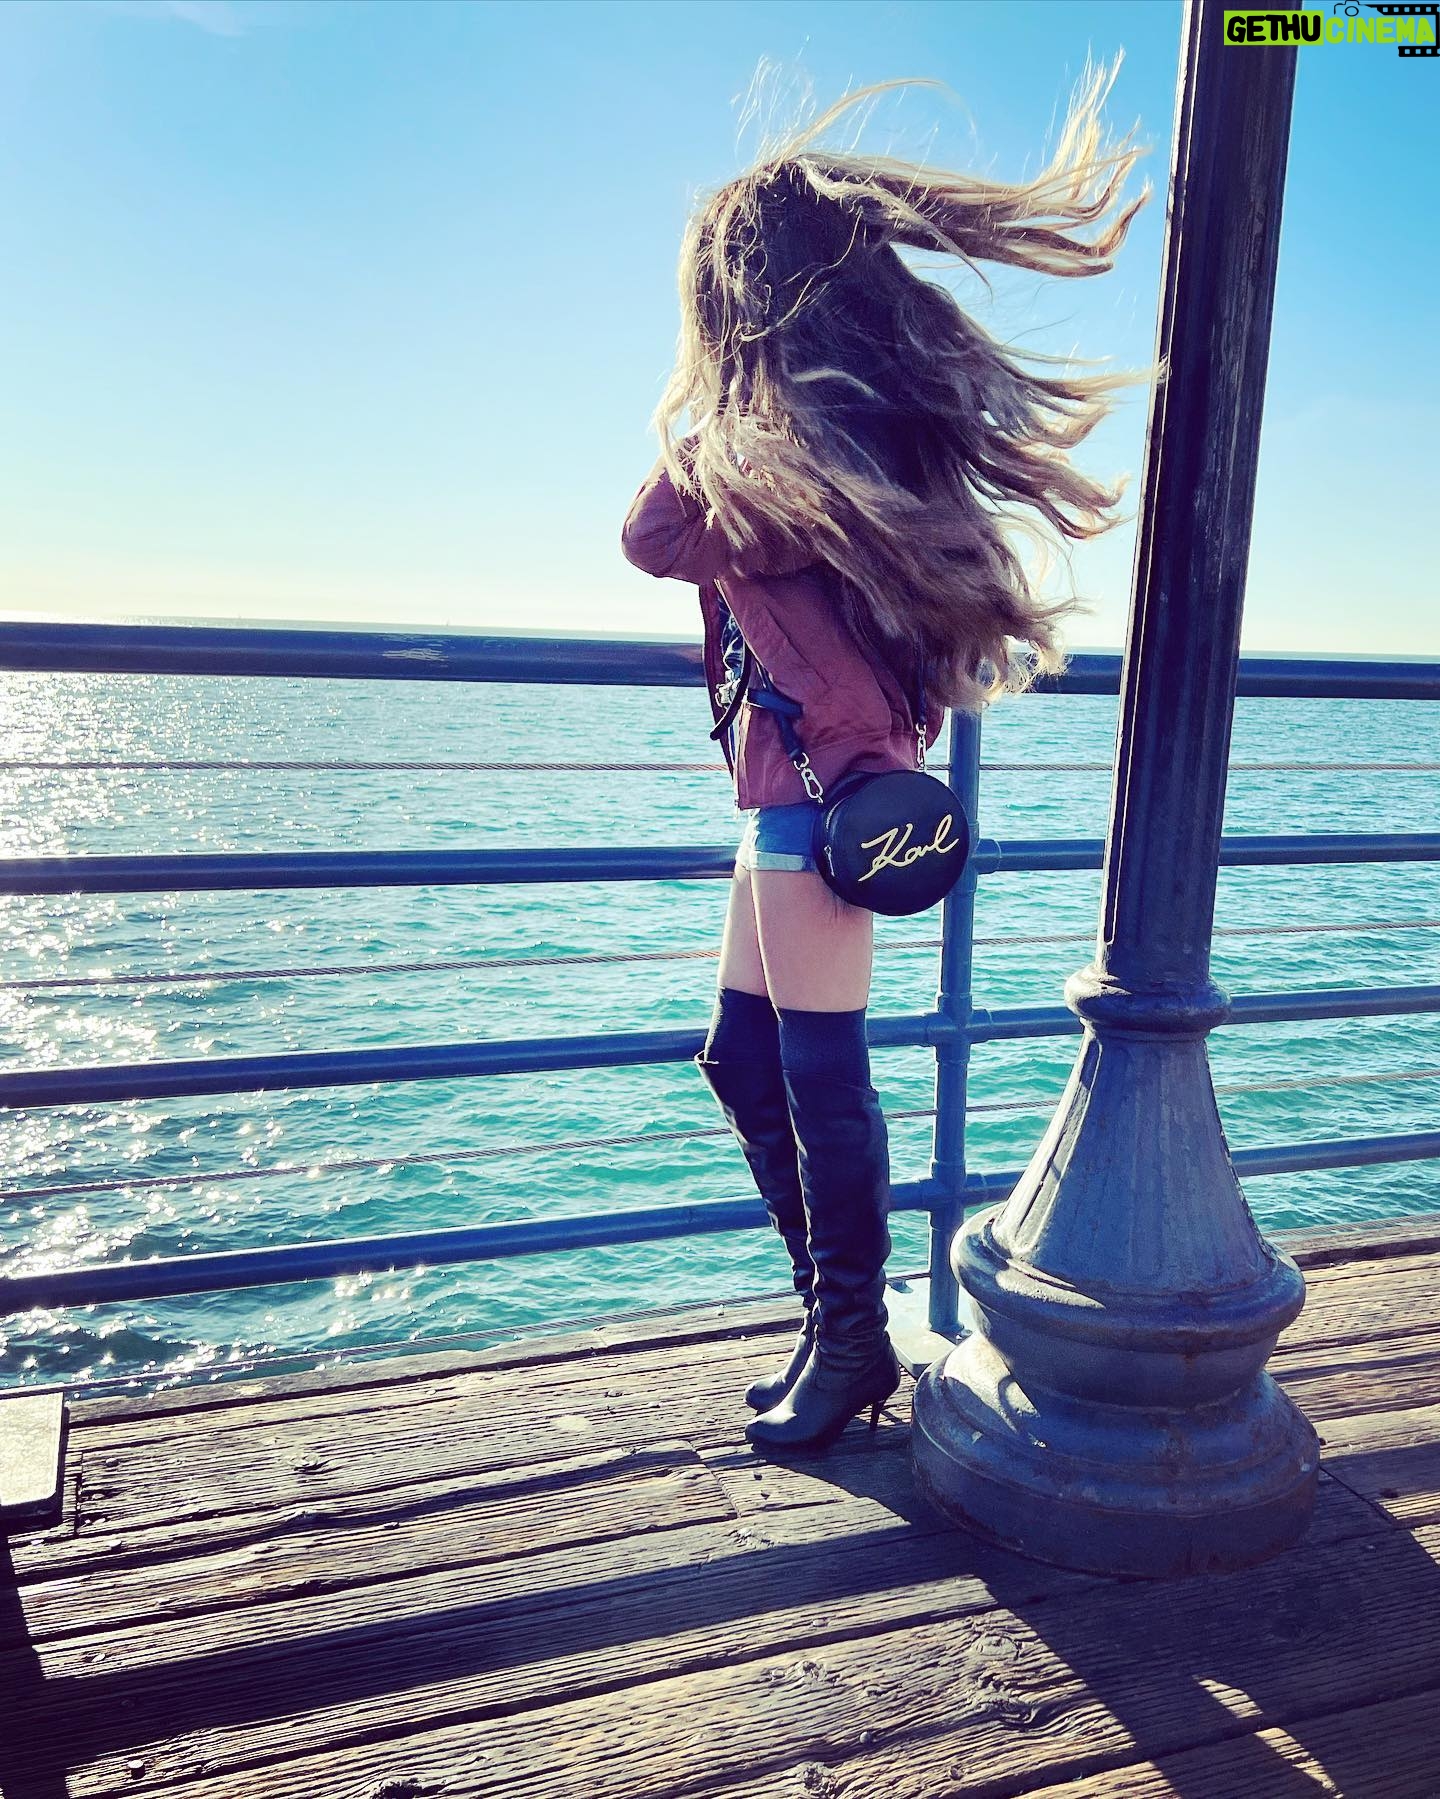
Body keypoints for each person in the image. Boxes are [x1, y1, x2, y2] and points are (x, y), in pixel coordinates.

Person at [620, 64, 1151, 1454]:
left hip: (826, 798)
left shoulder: (778, 474)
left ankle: (851, 1338)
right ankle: (834, 1324)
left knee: (815, 1073)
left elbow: (650, 536)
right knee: (744, 1059)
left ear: (746, 307)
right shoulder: (828, 461)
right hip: (793, 796)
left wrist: (719, 392)